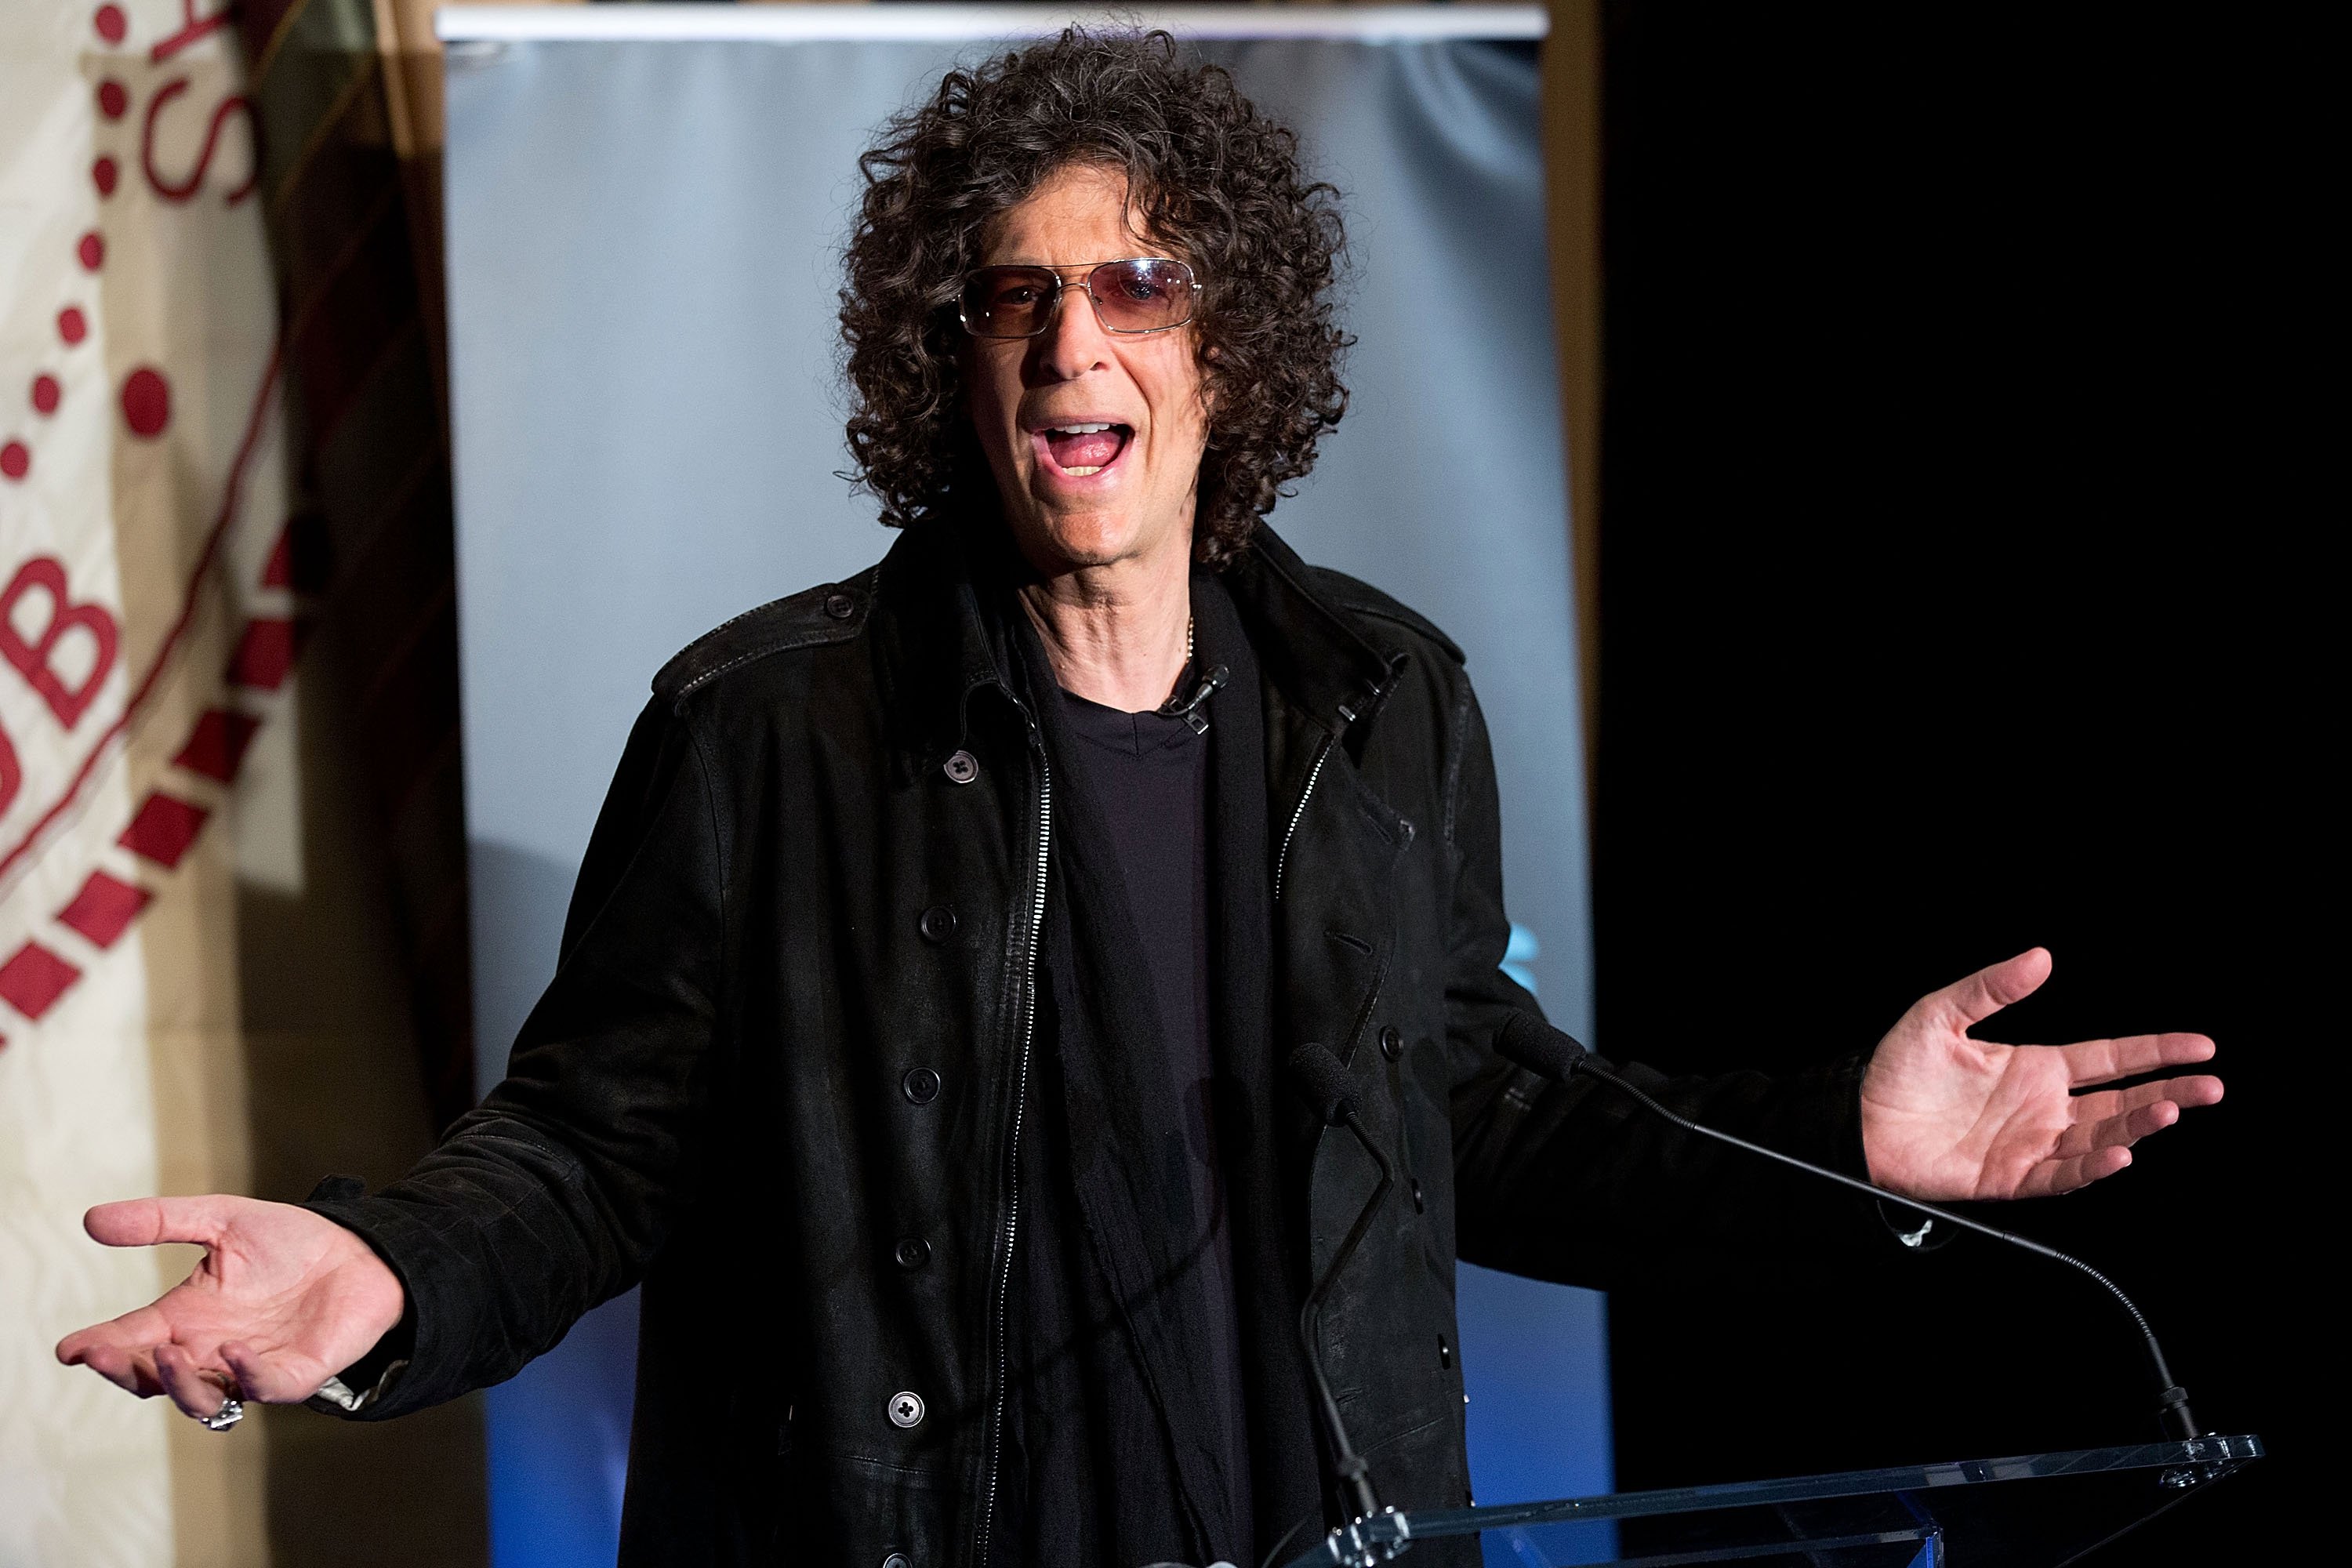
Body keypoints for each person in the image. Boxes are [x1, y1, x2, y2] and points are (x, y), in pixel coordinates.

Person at [57, 31, 2223, 1568]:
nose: (1068, 339)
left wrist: (1837, 1148)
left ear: (1228, 352)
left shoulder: (1384, 702)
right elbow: (597, 1149)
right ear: (955, 362)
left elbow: (1481, 1123)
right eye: (1012, 298)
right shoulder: (769, 729)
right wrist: (388, 1279)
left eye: (1134, 285)